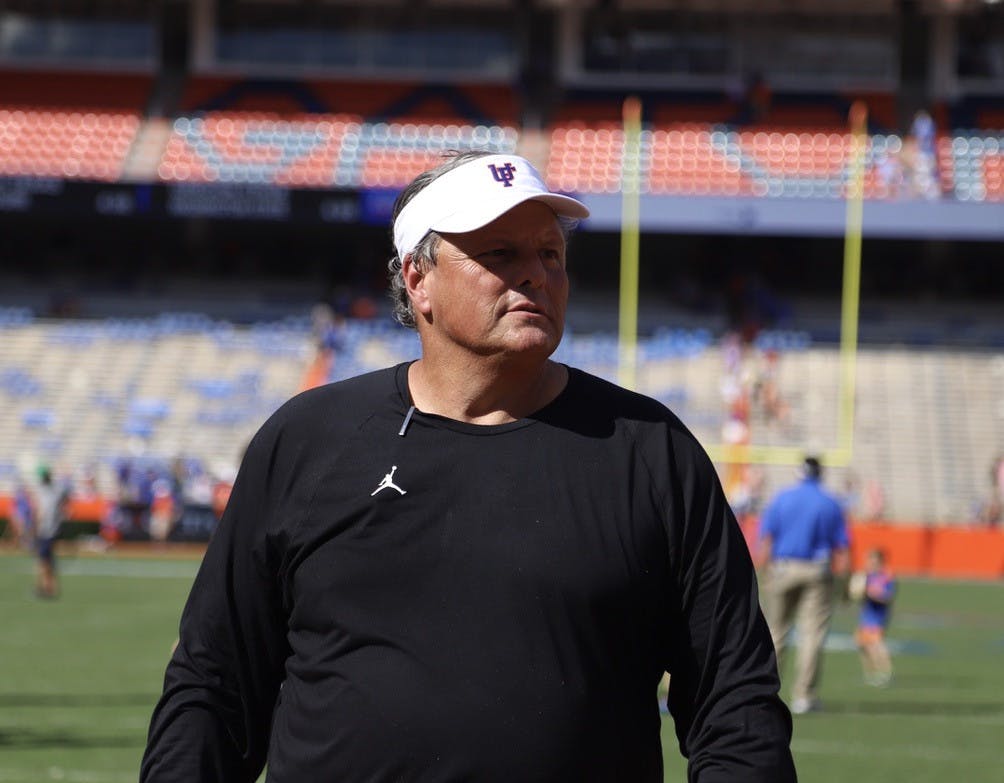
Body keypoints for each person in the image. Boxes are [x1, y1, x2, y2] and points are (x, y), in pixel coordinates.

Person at [141, 151, 795, 782]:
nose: (535, 274)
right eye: (500, 254)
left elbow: (733, 704)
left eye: (550, 253)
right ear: (418, 278)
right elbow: (215, 682)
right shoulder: (309, 439)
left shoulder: (651, 450)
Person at [756, 455, 850, 715]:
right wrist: (845, 584)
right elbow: (843, 548)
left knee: (774, 633)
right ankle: (804, 696)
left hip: (783, 567)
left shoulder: (783, 497)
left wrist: (765, 571)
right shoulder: (830, 502)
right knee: (812, 635)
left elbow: (765, 539)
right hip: (818, 570)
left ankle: (762, 691)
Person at [852, 548, 896, 687]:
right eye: (869, 560)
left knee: (877, 645)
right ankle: (870, 673)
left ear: (880, 561)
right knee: (862, 644)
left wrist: (871, 594)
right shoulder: (866, 576)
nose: (871, 563)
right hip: (866, 615)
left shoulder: (886, 577)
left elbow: (888, 597)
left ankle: (886, 673)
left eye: (874, 560)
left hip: (878, 616)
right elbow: (858, 594)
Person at [33, 466, 70, 599]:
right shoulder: (51, 490)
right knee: (46, 560)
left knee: (45, 561)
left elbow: (41, 513)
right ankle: (46, 587)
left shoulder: (52, 490)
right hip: (49, 530)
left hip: (47, 531)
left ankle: (48, 588)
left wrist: (35, 528)